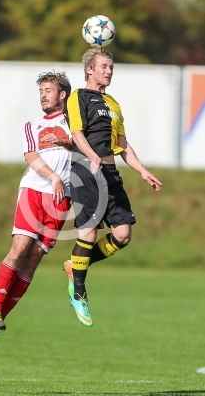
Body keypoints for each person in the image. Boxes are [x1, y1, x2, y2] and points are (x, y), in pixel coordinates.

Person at [63, 48, 163, 327]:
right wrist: (91, 155)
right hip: (86, 171)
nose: (108, 71)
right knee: (89, 233)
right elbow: (76, 132)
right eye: (104, 66)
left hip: (110, 173)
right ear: (89, 70)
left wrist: (142, 169)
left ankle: (75, 265)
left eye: (111, 67)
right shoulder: (77, 98)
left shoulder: (114, 104)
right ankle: (79, 293)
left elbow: (122, 143)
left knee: (123, 234)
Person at [0, 71, 72, 343]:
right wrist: (53, 176)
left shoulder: (74, 123)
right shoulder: (34, 124)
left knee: (33, 260)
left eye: (48, 90)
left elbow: (84, 149)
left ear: (62, 94)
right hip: (34, 190)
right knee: (20, 248)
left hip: (60, 199)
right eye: (40, 90)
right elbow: (31, 155)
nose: (43, 94)